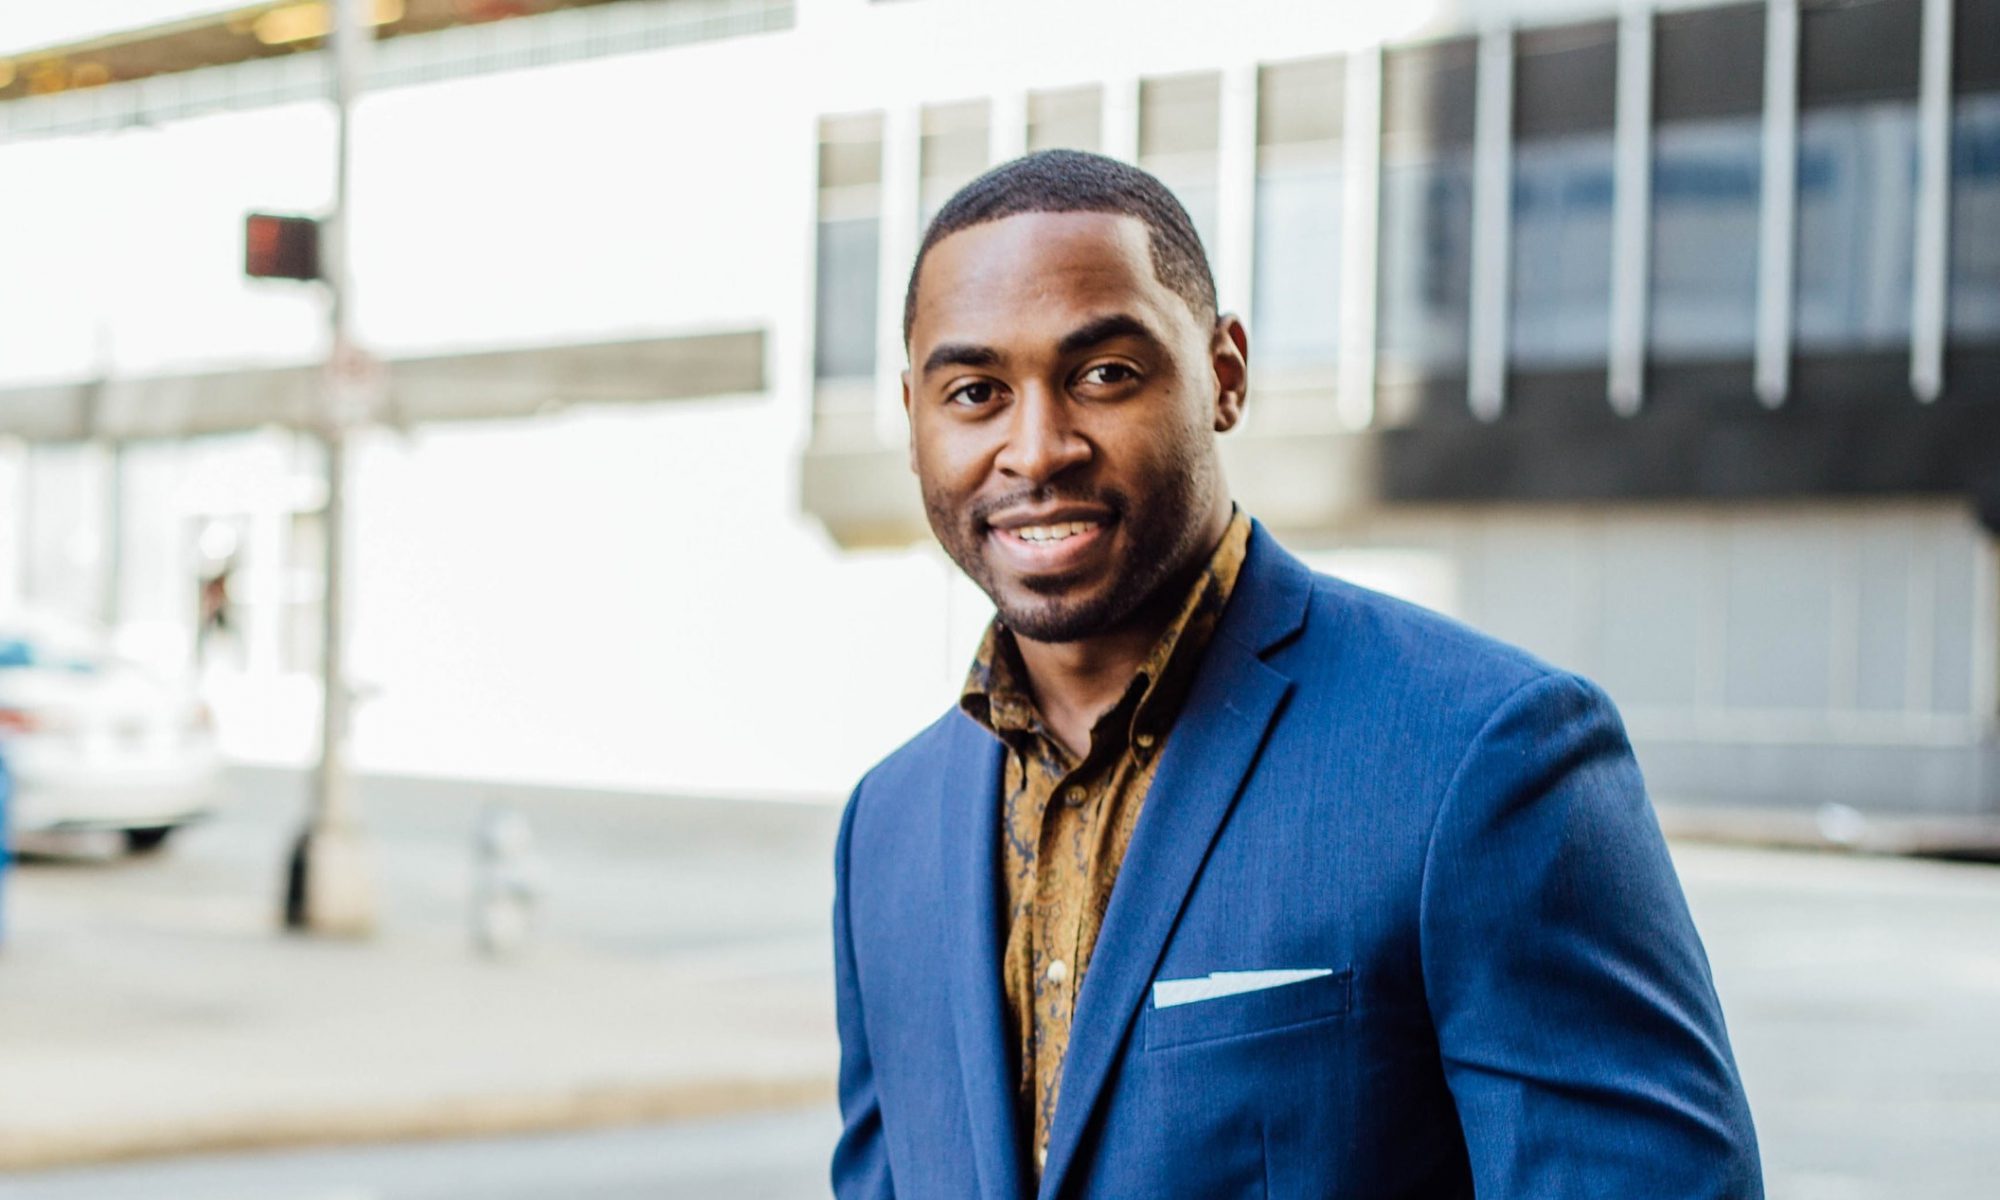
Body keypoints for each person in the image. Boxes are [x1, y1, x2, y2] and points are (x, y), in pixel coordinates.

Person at [830, 149, 1761, 1199]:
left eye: (1103, 375)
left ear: (1223, 373)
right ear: (912, 418)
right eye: (974, 392)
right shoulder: (884, 830)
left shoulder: (1483, 755)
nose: (1036, 448)